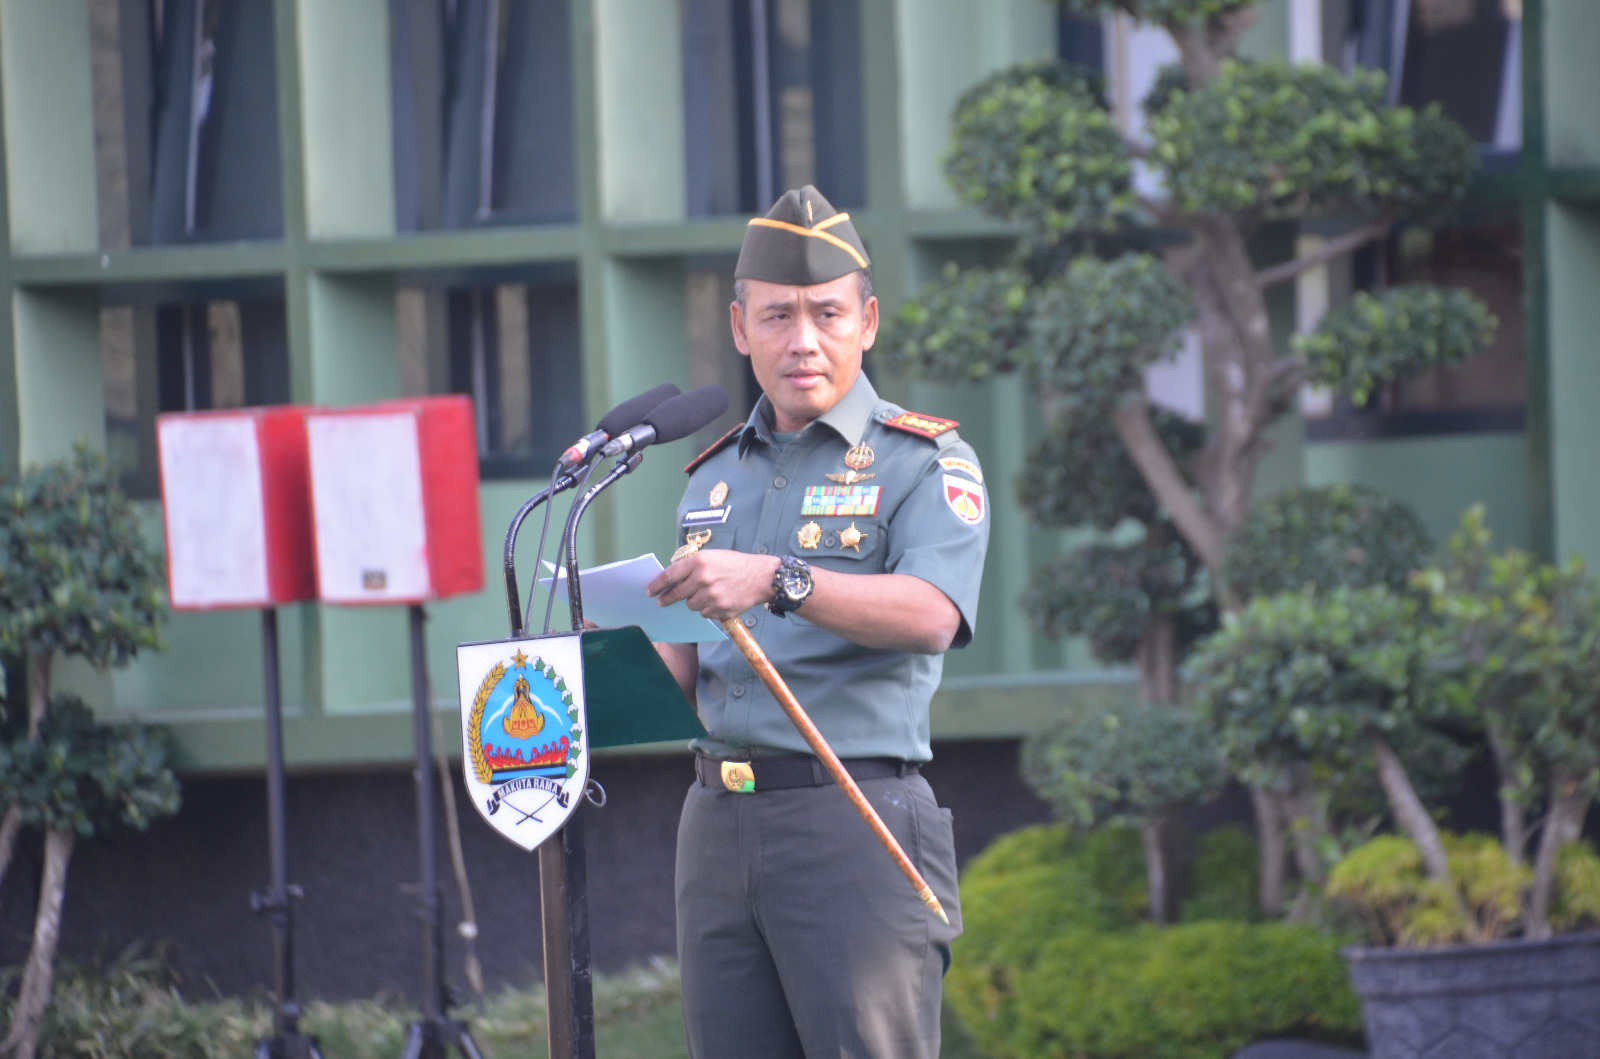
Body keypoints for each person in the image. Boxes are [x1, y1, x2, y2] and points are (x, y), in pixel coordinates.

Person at [646, 185, 990, 1059]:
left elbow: (933, 614)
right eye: (777, 317)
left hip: (852, 814)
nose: (802, 339)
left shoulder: (925, 460)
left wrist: (778, 578)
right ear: (738, 328)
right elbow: (685, 668)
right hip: (715, 825)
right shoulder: (711, 477)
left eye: (826, 314)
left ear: (867, 321)